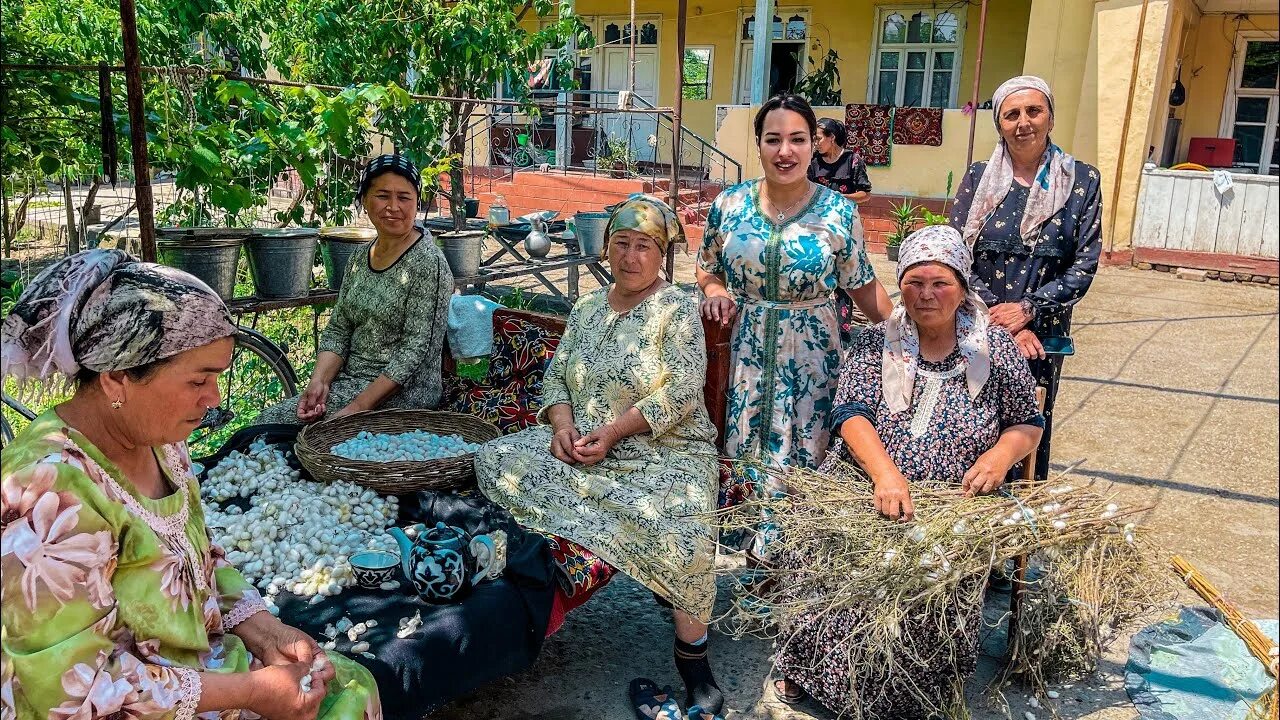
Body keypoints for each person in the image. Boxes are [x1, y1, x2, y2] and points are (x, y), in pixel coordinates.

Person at [0, 250, 381, 719]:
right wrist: (252, 692)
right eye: (199, 380)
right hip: (116, 704)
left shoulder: (162, 441)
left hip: (194, 667)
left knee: (349, 689)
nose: (214, 398)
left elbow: (198, 560)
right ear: (117, 377)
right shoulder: (47, 492)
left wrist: (263, 630)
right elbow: (72, 689)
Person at [772, 225, 1045, 713]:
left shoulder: (994, 349)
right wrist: (885, 474)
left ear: (962, 286)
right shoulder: (877, 342)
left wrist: (1000, 457)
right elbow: (850, 413)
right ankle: (812, 668)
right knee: (825, 546)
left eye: (939, 282)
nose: (926, 294)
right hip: (867, 479)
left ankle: (905, 691)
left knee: (933, 575)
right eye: (914, 281)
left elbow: (1027, 422)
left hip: (954, 498)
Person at [474, 195, 725, 718]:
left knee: (683, 529)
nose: (631, 257)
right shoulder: (588, 306)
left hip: (664, 451)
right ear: (607, 249)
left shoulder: (675, 308)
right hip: (587, 445)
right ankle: (591, 516)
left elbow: (681, 390)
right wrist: (563, 427)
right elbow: (558, 373)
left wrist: (612, 433)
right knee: (495, 459)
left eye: (644, 247)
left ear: (663, 255)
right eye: (621, 244)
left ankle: (694, 660)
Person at [697, 94, 893, 473]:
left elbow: (863, 286)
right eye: (773, 139)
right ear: (759, 145)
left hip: (813, 360)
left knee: (806, 461)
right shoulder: (729, 204)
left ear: (812, 144)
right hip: (743, 355)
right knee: (739, 457)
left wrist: (914, 334)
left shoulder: (839, 211)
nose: (785, 151)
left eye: (798, 139)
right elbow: (707, 267)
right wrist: (716, 290)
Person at [948, 75, 1103, 481]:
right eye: (1011, 114)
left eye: (1033, 111)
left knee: (1028, 425)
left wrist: (1028, 310)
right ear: (999, 125)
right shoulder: (979, 177)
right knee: (970, 418)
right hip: (976, 323)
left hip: (1042, 334)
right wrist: (1002, 322)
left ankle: (1018, 526)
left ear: (1050, 117)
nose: (1023, 122)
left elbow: (1084, 265)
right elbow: (955, 253)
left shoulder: (1081, 181)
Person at [258, 154, 453, 424]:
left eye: (404, 197)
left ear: (416, 202)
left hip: (403, 395)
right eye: (382, 195)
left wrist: (358, 406)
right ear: (364, 199)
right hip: (351, 383)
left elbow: (414, 352)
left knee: (269, 427)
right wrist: (319, 383)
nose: (393, 206)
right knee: (266, 430)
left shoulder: (428, 263)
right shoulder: (360, 257)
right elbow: (340, 327)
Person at [808, 118, 871, 204]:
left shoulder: (853, 160)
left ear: (832, 137)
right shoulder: (813, 161)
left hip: (843, 213)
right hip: (818, 215)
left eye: (818, 139)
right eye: (814, 139)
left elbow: (865, 194)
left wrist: (842, 198)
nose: (815, 143)